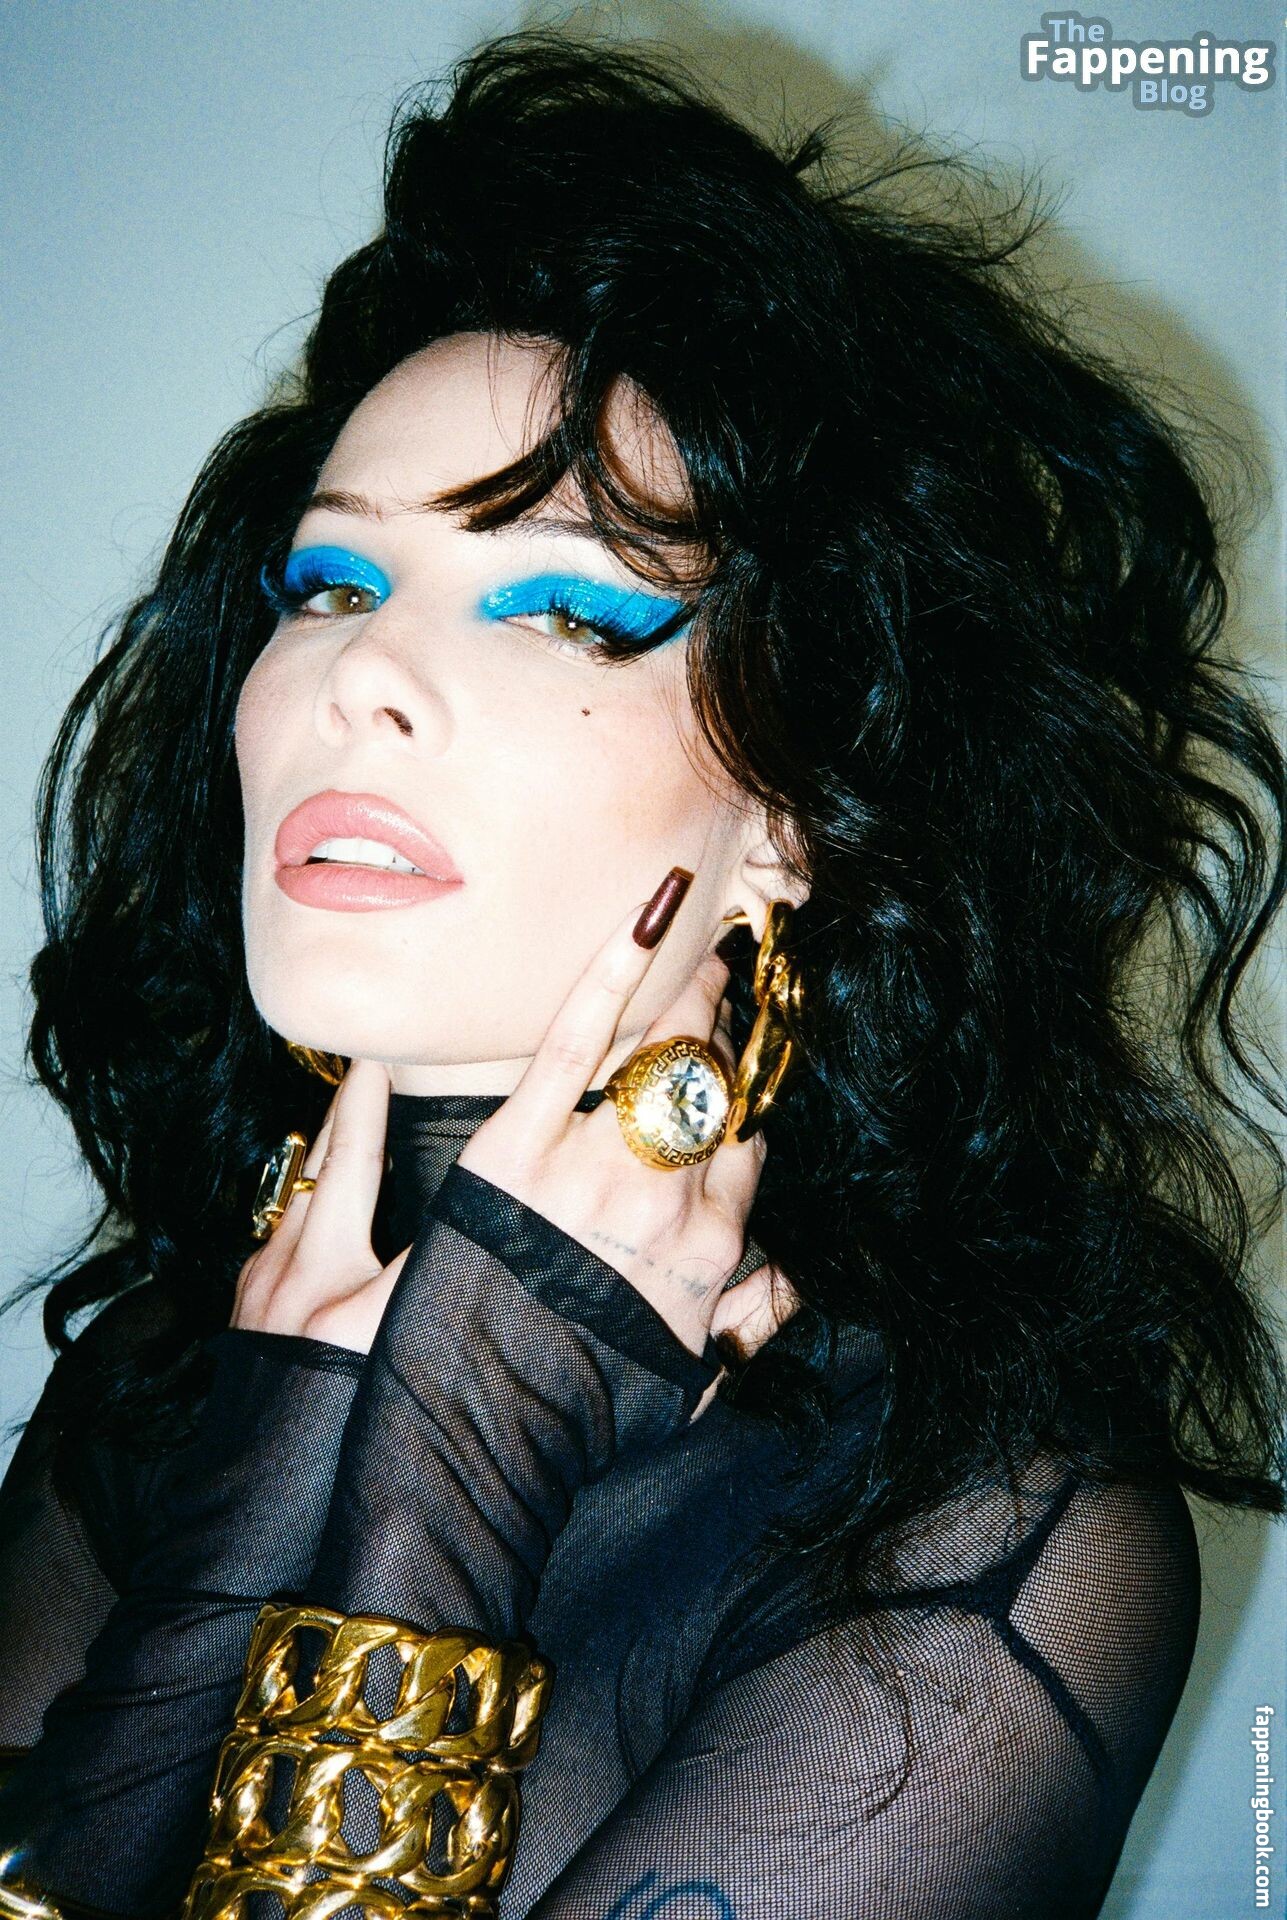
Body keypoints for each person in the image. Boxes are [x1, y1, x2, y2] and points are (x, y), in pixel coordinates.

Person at [0, 31, 1283, 1920]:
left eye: (568, 609)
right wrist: (255, 1507)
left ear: (801, 814)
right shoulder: (164, 1382)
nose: (362, 678)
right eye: (333, 586)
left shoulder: (971, 1536)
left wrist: (459, 1473)